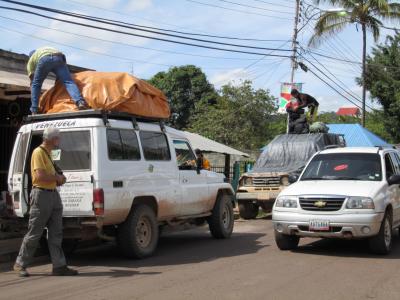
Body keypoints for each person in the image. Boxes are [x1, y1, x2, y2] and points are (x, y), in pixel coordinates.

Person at [13, 128, 78, 277]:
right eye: (57, 138)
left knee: (56, 233)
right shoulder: (38, 152)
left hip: (53, 195)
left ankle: (59, 266)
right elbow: (40, 176)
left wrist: (58, 178)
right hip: (41, 194)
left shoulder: (48, 153)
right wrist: (57, 178)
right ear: (51, 139)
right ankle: (20, 263)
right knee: (35, 232)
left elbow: (51, 174)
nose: (59, 141)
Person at [27, 46, 89, 114]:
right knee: (68, 81)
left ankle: (34, 109)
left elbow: (32, 81)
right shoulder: (45, 48)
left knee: (36, 85)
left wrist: (33, 90)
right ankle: (80, 102)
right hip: (59, 57)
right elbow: (63, 60)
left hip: (44, 59)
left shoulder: (31, 60)